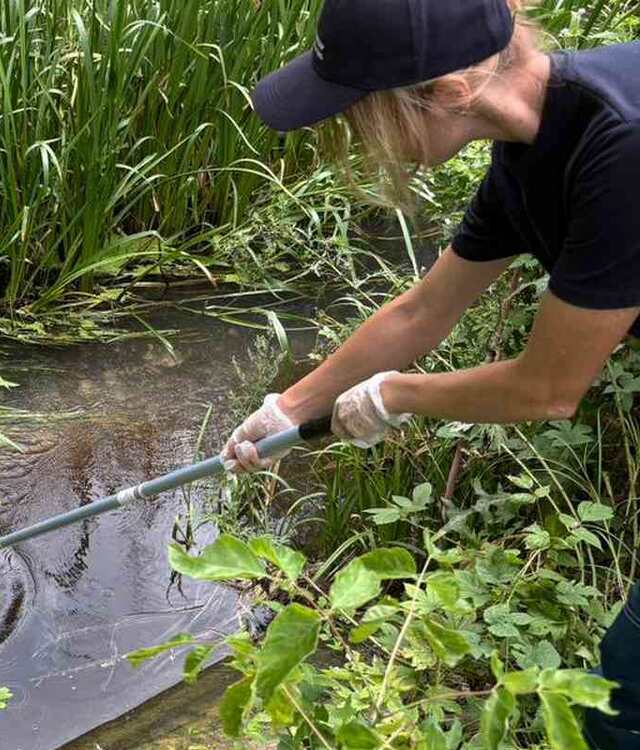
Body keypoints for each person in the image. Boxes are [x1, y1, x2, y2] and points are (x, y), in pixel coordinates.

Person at [218, 0, 640, 745]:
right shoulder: (534, 149)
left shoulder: (620, 147)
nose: (351, 135)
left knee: (627, 685)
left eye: (359, 113)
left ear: (446, 90)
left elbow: (548, 389)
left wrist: (394, 396)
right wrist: (290, 406)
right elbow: (423, 312)